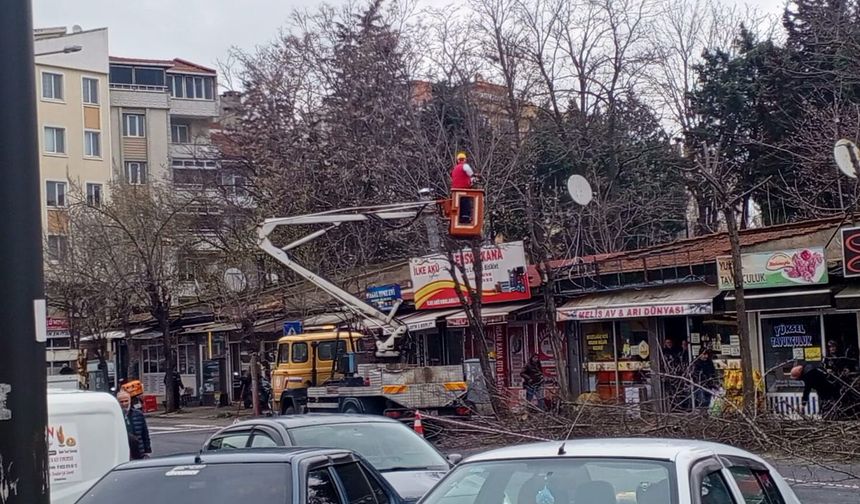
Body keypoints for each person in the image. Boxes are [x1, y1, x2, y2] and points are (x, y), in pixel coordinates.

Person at [117, 390, 151, 459]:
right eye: (121, 402)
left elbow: (145, 434)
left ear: (130, 401)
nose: (124, 404)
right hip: (122, 451)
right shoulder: (115, 416)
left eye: (126, 401)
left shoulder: (138, 414)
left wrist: (147, 451)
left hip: (138, 451)